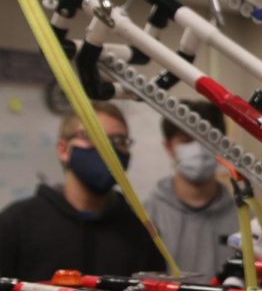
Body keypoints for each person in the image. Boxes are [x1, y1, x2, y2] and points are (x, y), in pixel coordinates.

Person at [0, 102, 166, 281]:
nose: (108, 149)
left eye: (119, 141)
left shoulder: (140, 230)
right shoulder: (17, 223)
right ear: (63, 149)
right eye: (92, 136)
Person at [144, 101, 237, 283]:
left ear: (222, 145)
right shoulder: (146, 215)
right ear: (169, 147)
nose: (199, 149)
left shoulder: (244, 218)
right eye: (186, 140)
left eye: (207, 138)